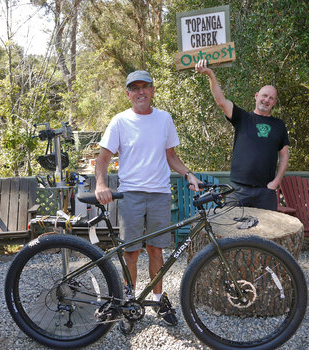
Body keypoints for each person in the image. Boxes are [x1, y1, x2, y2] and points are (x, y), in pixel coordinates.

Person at [95, 70, 201, 326]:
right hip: (130, 194)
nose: (141, 91)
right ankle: (129, 301)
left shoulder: (164, 119)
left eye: (145, 86)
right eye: (135, 88)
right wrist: (100, 183)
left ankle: (158, 299)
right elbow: (103, 158)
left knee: (156, 250)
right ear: (128, 93)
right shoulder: (119, 121)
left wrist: (189, 174)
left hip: (160, 194)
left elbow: (171, 156)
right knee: (130, 253)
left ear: (153, 90)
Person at [195, 59, 289, 211]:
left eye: (271, 98)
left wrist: (276, 182)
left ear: (274, 102)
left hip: (265, 192)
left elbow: (284, 155)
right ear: (256, 96)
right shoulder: (243, 117)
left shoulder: (279, 125)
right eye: (264, 96)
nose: (266, 100)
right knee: (232, 230)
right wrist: (211, 75)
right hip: (238, 190)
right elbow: (221, 101)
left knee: (266, 234)